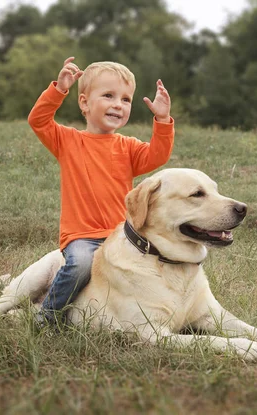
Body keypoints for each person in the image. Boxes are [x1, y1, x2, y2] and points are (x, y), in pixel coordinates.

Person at [27, 57, 174, 328]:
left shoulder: (128, 147)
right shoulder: (67, 141)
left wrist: (162, 119)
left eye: (126, 99)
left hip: (121, 235)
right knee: (81, 265)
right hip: (82, 237)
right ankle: (47, 317)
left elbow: (158, 155)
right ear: (84, 103)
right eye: (108, 95)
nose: (118, 104)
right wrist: (58, 90)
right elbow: (38, 120)